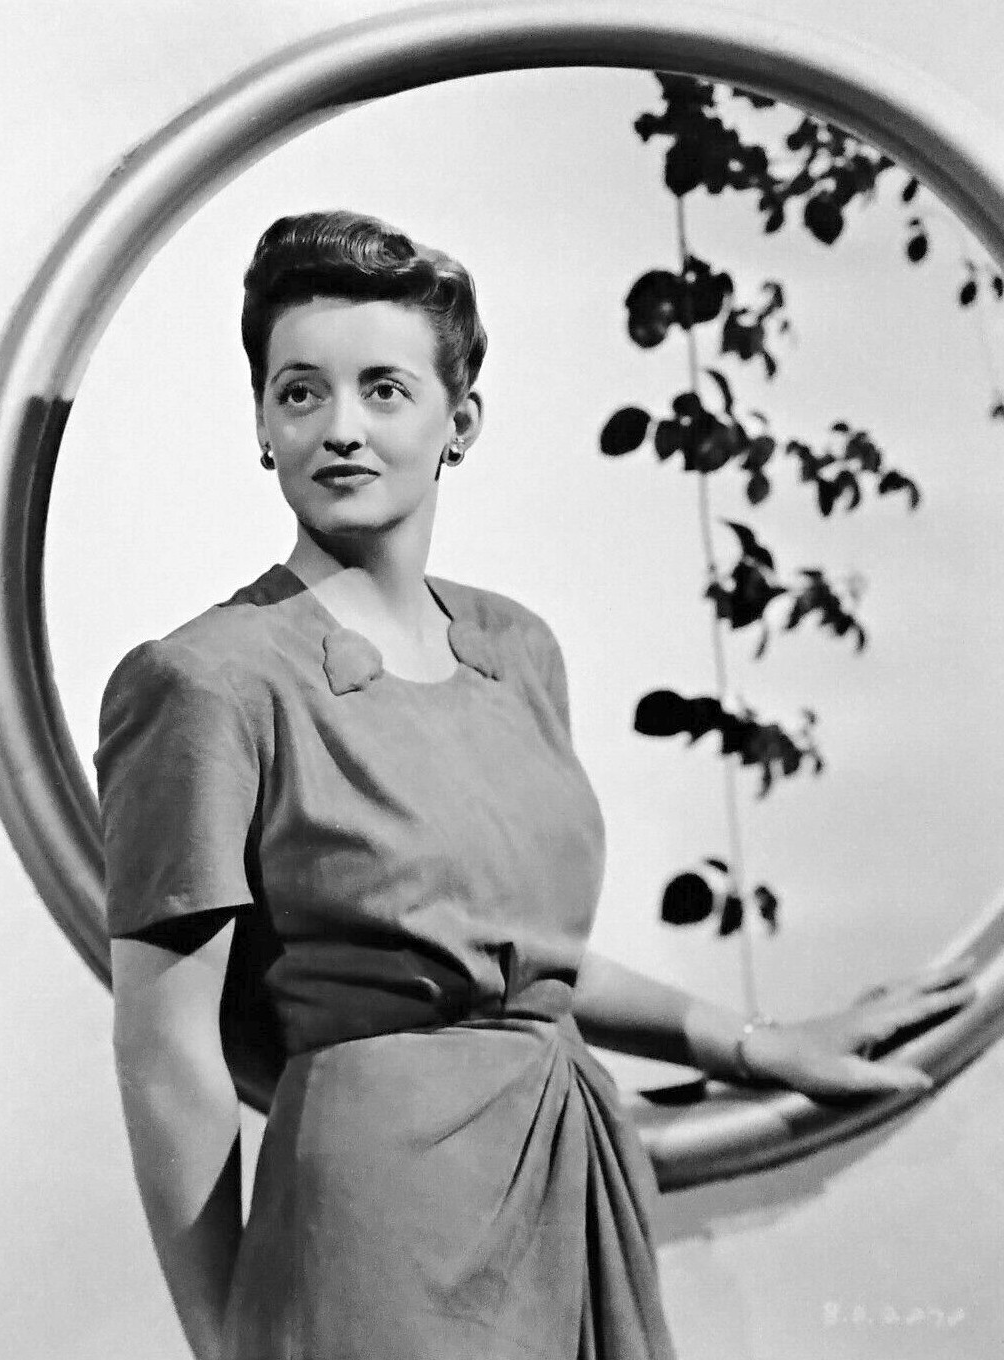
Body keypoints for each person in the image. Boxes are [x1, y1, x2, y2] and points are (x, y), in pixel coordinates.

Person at [97, 210, 975, 1360]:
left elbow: (524, 961)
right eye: (299, 392)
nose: (340, 426)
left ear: (459, 422)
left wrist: (757, 1043)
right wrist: (227, 1342)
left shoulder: (517, 648)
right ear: (263, 422)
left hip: (570, 1183)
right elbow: (165, 1051)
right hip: (373, 1225)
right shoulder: (205, 679)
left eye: (384, 390)